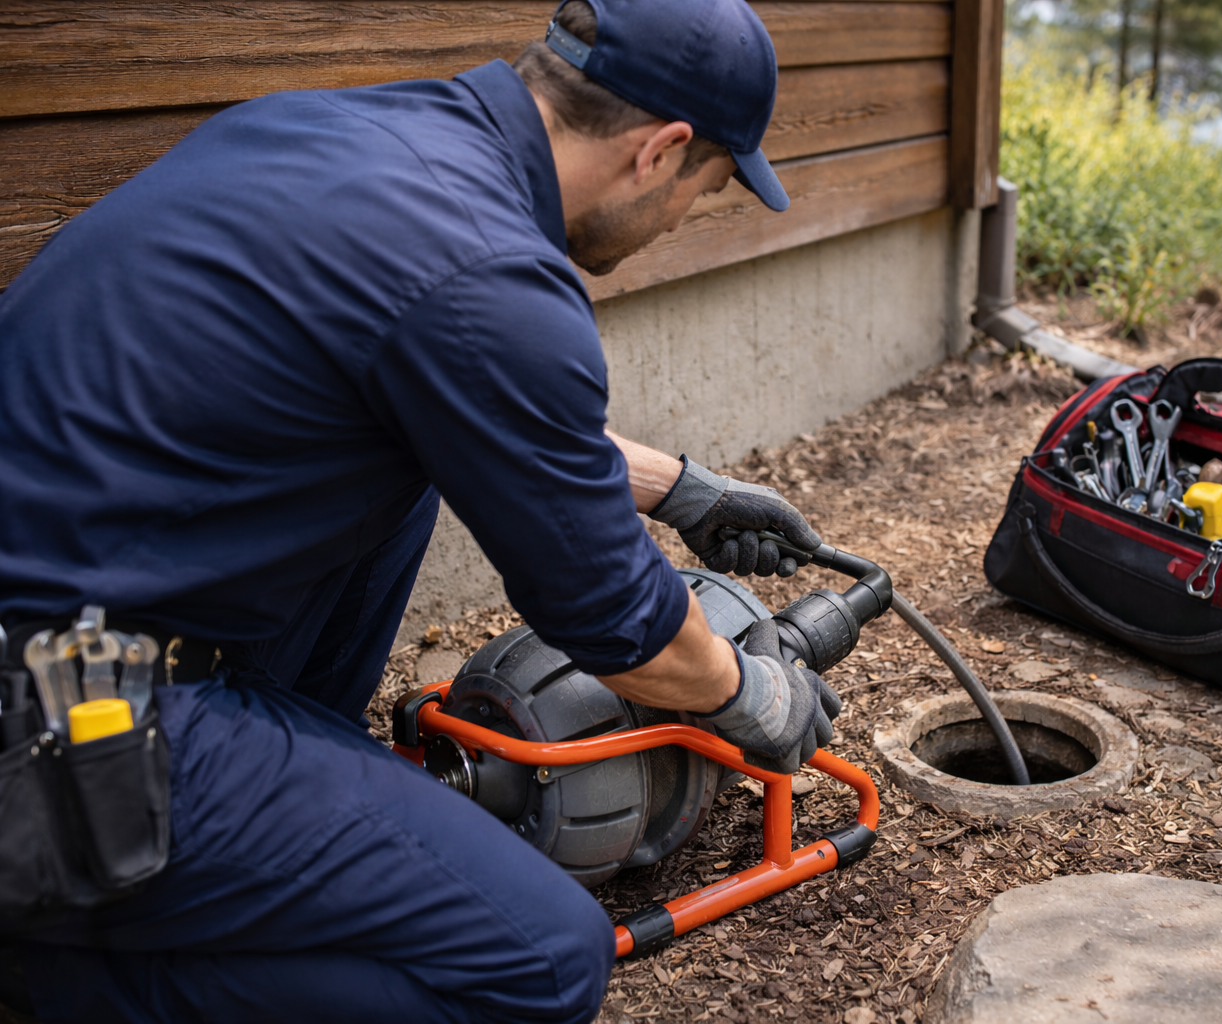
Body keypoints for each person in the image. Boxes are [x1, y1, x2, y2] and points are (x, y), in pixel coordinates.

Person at [0, 0, 840, 1020]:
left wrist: (682, 488)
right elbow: (619, 622)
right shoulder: (490, 271)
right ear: (660, 153)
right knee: (544, 958)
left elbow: (475, 398)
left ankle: (241, 819)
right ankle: (66, 979)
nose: (678, 224)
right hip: (59, 725)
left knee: (407, 471)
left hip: (73, 624)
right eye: (703, 195)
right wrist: (750, 692)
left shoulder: (346, 135)